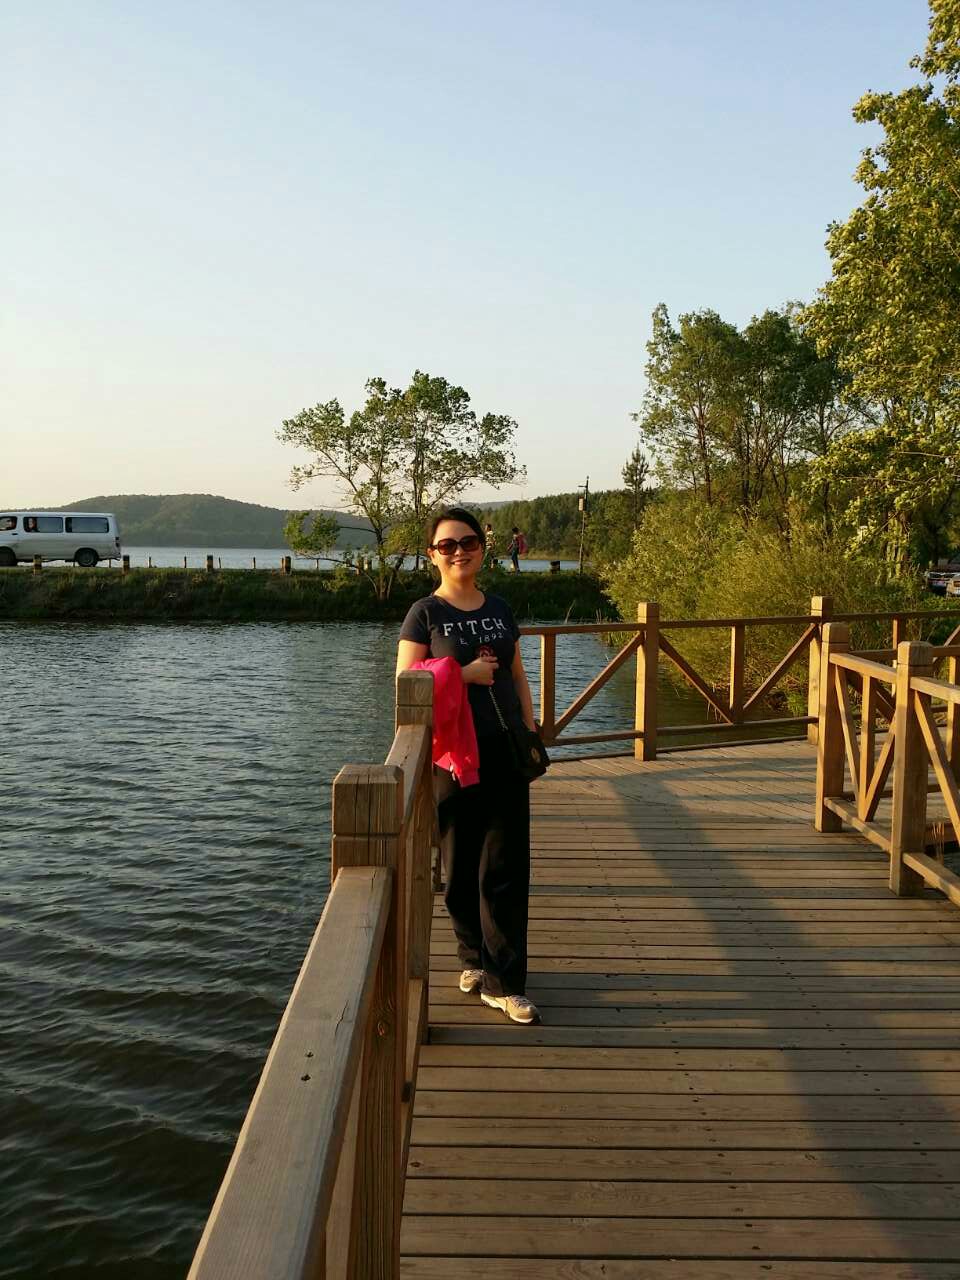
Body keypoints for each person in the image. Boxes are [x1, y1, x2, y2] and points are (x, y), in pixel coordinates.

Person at [396, 507, 540, 1024]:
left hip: (503, 751)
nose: (460, 551)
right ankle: (473, 957)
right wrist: (465, 673)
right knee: (458, 870)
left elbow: (517, 674)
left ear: (483, 547)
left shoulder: (499, 608)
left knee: (505, 867)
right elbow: (406, 683)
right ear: (433, 555)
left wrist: (530, 728)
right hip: (453, 757)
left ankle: (505, 983)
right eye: (448, 545)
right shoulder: (425, 614)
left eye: (469, 542)